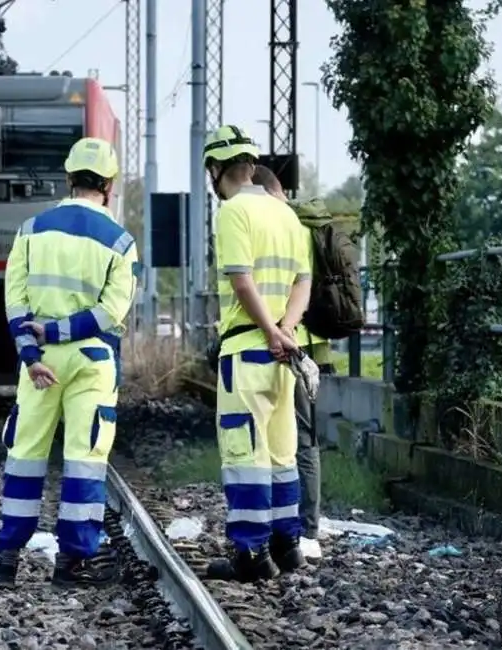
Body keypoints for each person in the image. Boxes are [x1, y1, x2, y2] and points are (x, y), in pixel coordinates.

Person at [0, 137, 139, 588]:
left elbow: (14, 299)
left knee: (25, 453)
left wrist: (33, 350)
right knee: (84, 458)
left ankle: (6, 560)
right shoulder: (121, 241)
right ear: (108, 185)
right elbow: (112, 313)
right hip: (92, 359)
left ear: (69, 178)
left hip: (39, 363)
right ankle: (72, 564)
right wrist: (61, 332)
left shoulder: (32, 229)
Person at [204, 125, 311, 582]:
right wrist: (286, 329)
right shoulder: (284, 213)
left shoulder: (233, 212)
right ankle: (288, 546)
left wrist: (268, 329)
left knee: (244, 453)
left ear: (216, 170)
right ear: (251, 165)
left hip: (248, 350)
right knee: (281, 452)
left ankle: (249, 554)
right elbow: (304, 281)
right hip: (288, 354)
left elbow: (241, 279)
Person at [251, 165, 336, 561]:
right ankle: (293, 526)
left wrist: (281, 330)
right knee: (293, 436)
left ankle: (305, 530)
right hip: (303, 341)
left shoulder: (284, 226)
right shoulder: (300, 225)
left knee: (299, 439)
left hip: (294, 343)